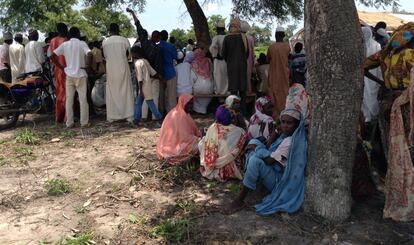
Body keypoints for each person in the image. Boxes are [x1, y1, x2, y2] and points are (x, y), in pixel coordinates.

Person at [364, 22, 414, 222]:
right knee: (409, 148)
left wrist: (381, 83)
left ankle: (397, 189)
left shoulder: (384, 55)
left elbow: (364, 66)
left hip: (387, 103)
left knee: (392, 148)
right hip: (407, 104)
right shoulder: (410, 56)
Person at [225, 109, 307, 215]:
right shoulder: (284, 137)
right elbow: (268, 148)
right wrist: (274, 134)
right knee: (254, 143)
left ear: (296, 125)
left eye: (289, 123)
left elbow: (269, 161)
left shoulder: (290, 141)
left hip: (279, 181)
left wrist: (256, 149)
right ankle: (251, 180)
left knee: (255, 160)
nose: (285, 126)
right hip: (273, 169)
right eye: (283, 122)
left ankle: (240, 199)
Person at [50, 27, 92, 128]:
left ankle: (69, 122)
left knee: (69, 99)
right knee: (83, 99)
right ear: (78, 34)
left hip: (69, 75)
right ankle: (84, 123)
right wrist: (88, 66)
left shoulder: (65, 44)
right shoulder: (82, 43)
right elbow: (89, 53)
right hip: (81, 74)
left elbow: (52, 56)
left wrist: (61, 67)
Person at [199, 105, 247, 182]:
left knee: (202, 142)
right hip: (230, 164)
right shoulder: (240, 132)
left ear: (217, 118)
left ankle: (212, 167)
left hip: (211, 162)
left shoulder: (212, 128)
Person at [102, 23, 135, 123]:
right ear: (118, 29)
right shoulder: (124, 40)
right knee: (126, 90)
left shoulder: (105, 42)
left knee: (112, 90)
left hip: (111, 68)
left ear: (109, 30)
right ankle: (129, 115)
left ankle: (112, 116)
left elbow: (105, 55)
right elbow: (129, 55)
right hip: (122, 66)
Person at [156, 94, 201, 165]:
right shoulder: (180, 116)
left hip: (169, 147)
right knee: (201, 145)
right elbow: (185, 138)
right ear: (183, 103)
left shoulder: (180, 113)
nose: (191, 106)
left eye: (192, 104)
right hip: (174, 150)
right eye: (188, 104)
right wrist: (199, 139)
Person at [222, 18, 248, 115]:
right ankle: (243, 113)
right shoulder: (243, 37)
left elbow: (223, 54)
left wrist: (230, 60)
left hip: (231, 67)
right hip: (242, 67)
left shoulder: (227, 38)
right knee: (242, 91)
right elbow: (247, 53)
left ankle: (233, 113)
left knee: (233, 91)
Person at [131, 45, 162, 124]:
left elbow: (140, 78)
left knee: (150, 104)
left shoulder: (137, 63)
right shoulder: (145, 61)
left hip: (143, 86)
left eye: (132, 54)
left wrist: (141, 90)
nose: (132, 56)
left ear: (136, 54)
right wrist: (161, 78)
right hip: (147, 85)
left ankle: (158, 117)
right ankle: (136, 119)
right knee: (140, 102)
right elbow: (153, 72)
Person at [267, 27, 291, 119]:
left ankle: (275, 117)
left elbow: (268, 59)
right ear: (283, 36)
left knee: (274, 93)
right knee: (284, 94)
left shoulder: (271, 47)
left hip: (273, 75)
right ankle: (284, 115)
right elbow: (289, 60)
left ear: (276, 35)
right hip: (284, 75)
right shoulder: (287, 47)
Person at [49, 23, 68, 123]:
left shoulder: (52, 41)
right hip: (65, 69)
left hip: (57, 70)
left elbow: (50, 57)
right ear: (64, 30)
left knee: (59, 92)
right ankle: (67, 117)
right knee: (67, 93)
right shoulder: (65, 41)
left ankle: (58, 116)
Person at [361, 26, 381, 123]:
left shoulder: (376, 45)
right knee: (366, 94)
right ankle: (367, 117)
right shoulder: (360, 46)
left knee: (370, 93)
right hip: (370, 74)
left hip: (372, 74)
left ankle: (370, 117)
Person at [159, 30, 178, 114]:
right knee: (171, 95)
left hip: (159, 73)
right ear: (167, 37)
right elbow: (175, 57)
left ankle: (161, 112)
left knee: (161, 95)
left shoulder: (156, 46)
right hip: (170, 71)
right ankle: (172, 114)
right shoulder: (171, 46)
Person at [192, 49, 213, 114]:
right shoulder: (208, 60)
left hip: (198, 88)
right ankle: (203, 110)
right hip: (209, 87)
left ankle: (198, 110)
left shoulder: (194, 63)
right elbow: (212, 72)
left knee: (192, 89)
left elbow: (192, 78)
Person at [209, 20, 228, 95]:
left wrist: (216, 55)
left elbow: (212, 47)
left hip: (218, 60)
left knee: (218, 76)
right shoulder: (228, 37)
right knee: (226, 76)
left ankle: (219, 94)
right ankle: (227, 93)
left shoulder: (216, 38)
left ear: (218, 29)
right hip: (227, 60)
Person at [241, 20, 255, 93]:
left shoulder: (237, 37)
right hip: (249, 61)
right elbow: (253, 52)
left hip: (240, 60)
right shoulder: (250, 38)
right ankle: (248, 93)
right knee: (248, 78)